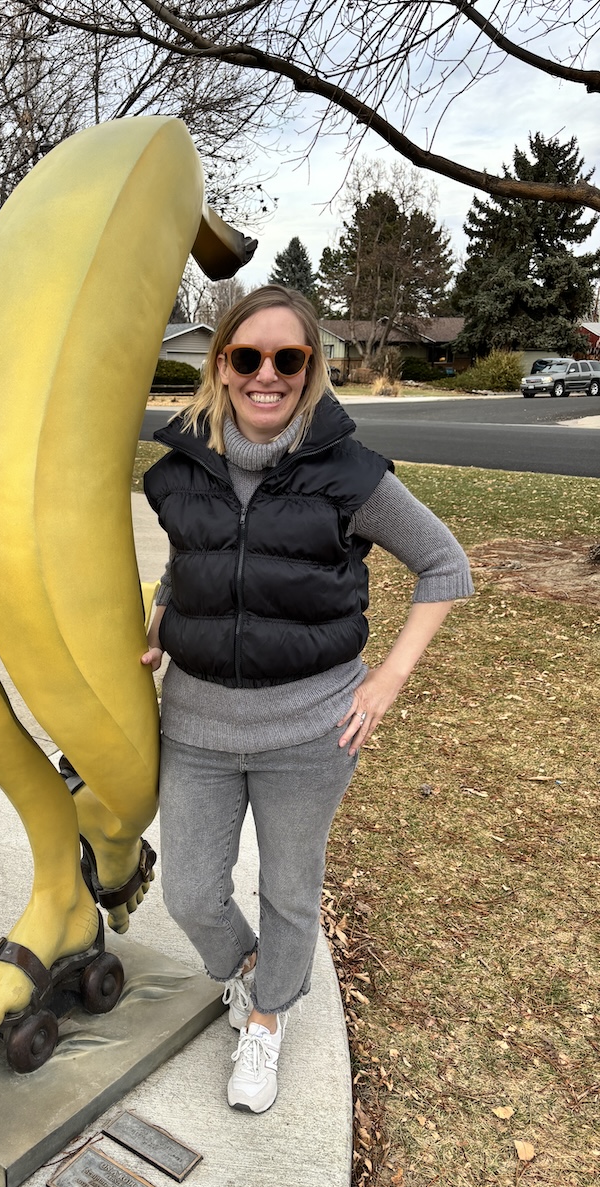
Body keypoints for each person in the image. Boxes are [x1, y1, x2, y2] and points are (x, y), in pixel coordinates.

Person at [140, 285, 473, 1114]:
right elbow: (194, 560)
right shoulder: (180, 469)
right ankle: (250, 969)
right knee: (189, 894)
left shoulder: (350, 474)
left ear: (311, 369)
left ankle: (266, 1019)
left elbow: (445, 565)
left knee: (289, 889)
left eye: (288, 359)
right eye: (247, 356)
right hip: (195, 724)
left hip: (308, 731)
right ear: (221, 363)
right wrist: (163, 619)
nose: (266, 375)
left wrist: (386, 681)